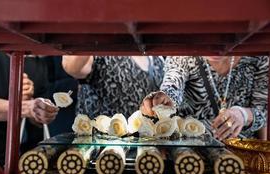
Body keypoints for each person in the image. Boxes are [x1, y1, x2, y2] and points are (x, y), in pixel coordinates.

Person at [0, 44, 59, 167]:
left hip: (8, 159)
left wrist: (38, 107)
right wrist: (27, 107)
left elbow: (38, 121)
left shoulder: (37, 63)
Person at [140, 56, 268, 140]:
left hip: (242, 154)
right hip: (190, 154)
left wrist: (243, 115)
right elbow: (172, 84)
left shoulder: (258, 57)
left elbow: (263, 111)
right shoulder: (182, 55)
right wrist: (165, 97)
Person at [62, 56, 164, 119]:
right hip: (99, 150)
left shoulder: (157, 57)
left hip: (148, 150)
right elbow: (73, 68)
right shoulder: (101, 52)